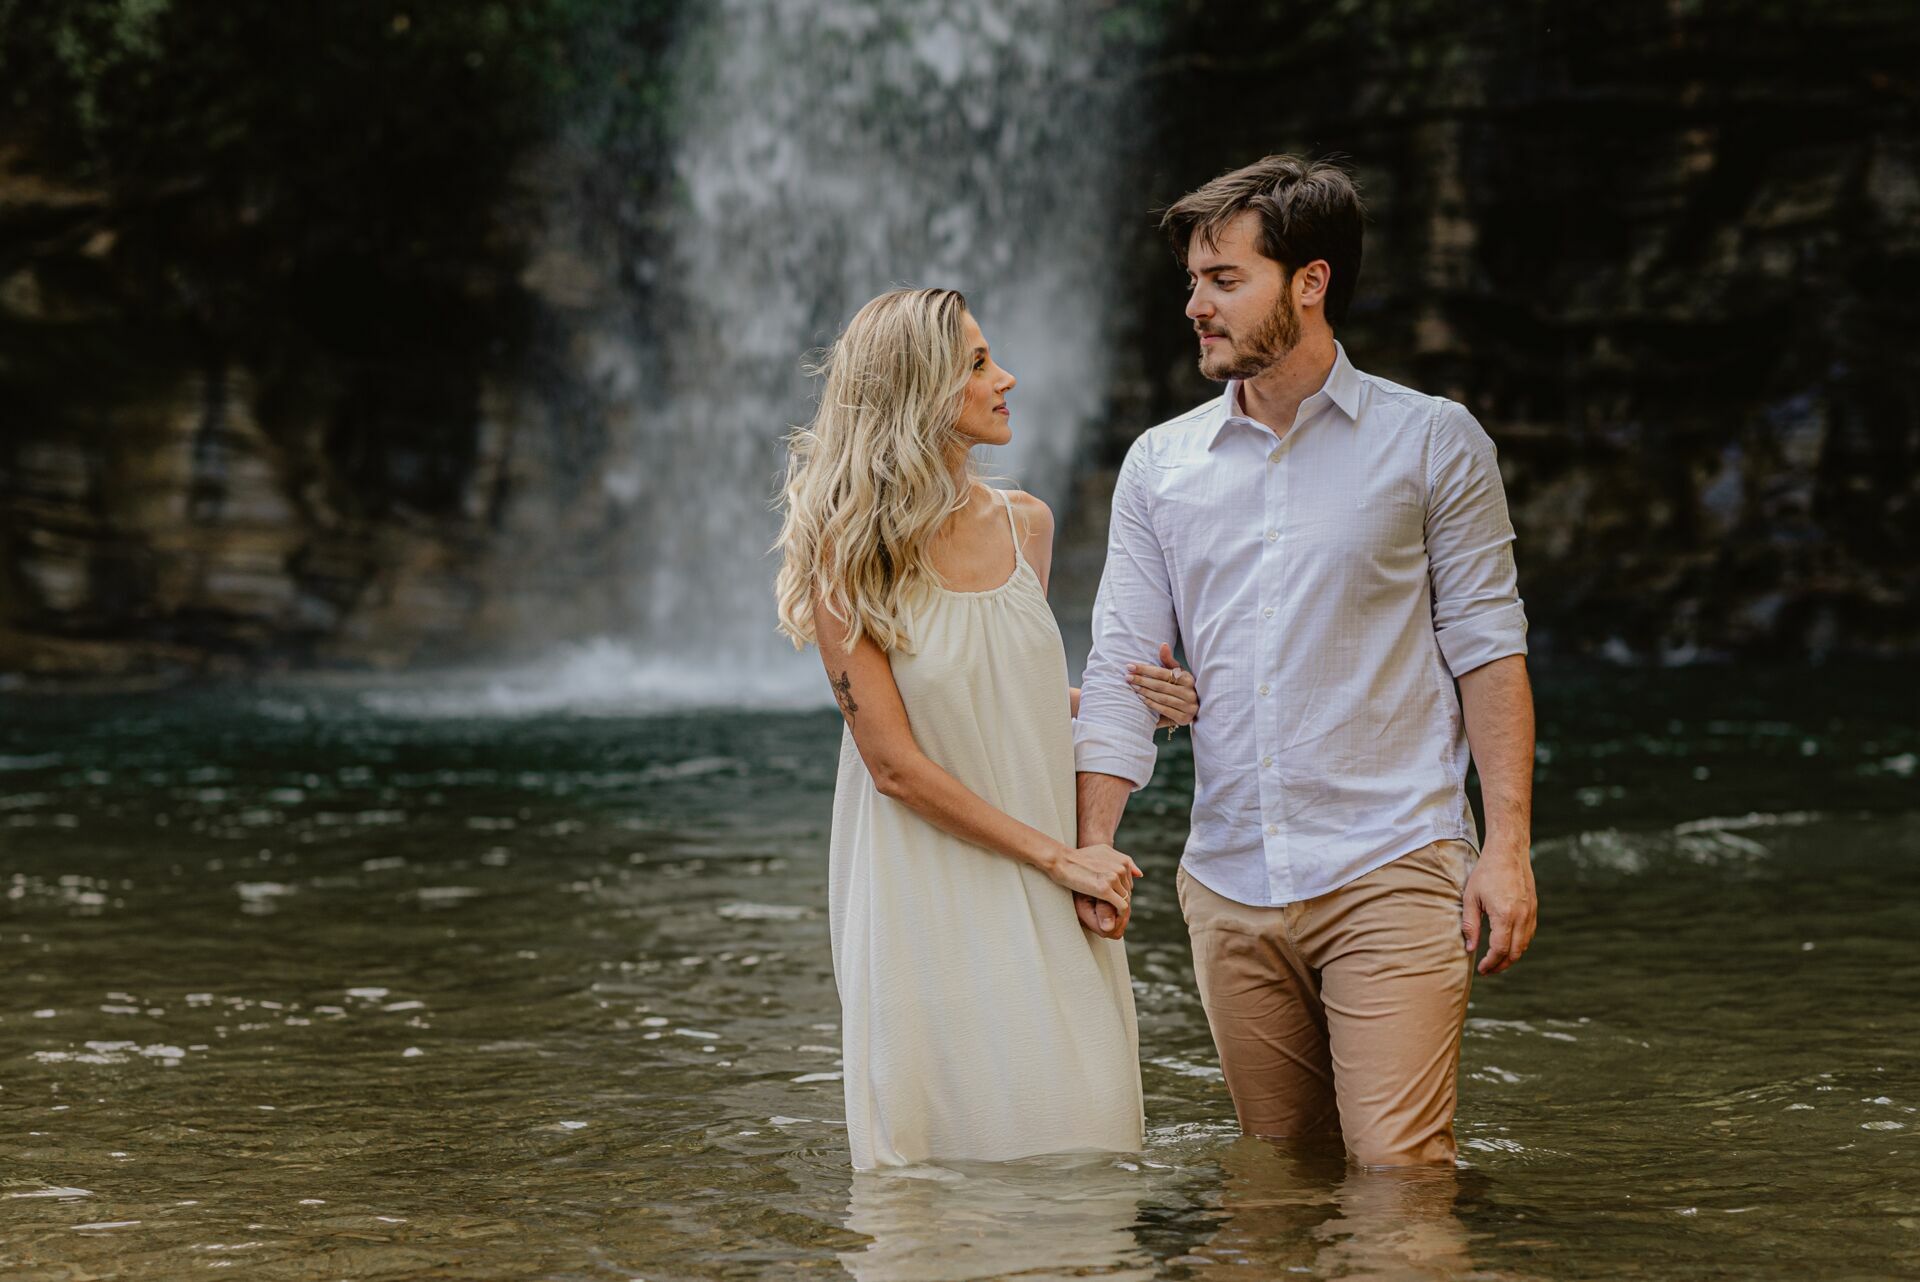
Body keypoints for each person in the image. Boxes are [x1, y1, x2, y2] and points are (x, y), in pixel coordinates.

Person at [1072, 155, 1540, 1168]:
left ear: (1310, 282)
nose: (1196, 305)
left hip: (1394, 864)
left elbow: (1489, 651)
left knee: (1399, 1178)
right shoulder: (1161, 464)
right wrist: (1090, 847)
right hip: (1230, 878)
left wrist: (1505, 849)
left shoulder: (1434, 442)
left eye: (1225, 280)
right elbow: (1121, 661)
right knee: (1277, 1179)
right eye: (1193, 282)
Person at [772, 287, 1202, 1170]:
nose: (1004, 377)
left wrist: (1128, 700)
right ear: (915, 389)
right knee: (945, 1157)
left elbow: (1002, 692)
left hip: (1046, 870)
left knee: (1089, 1134)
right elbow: (892, 763)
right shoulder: (844, 558)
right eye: (975, 363)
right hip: (927, 886)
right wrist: (1061, 857)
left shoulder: (1027, 525)